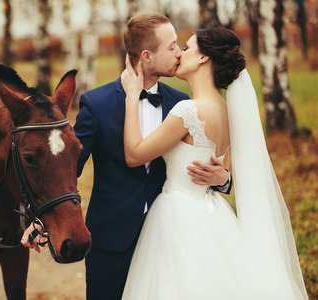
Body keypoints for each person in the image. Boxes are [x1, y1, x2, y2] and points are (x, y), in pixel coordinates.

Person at [120, 27, 309, 299]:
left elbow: (134, 155)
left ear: (202, 59)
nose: (179, 54)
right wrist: (225, 178)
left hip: (179, 216)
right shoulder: (226, 109)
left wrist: (131, 96)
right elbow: (222, 168)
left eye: (186, 48)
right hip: (212, 213)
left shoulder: (188, 110)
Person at [71, 14, 232, 300]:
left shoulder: (183, 104)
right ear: (146, 55)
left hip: (171, 240)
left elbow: (207, 159)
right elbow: (67, 171)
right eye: (172, 47)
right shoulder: (96, 104)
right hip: (111, 241)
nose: (179, 53)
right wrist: (38, 220)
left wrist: (223, 180)